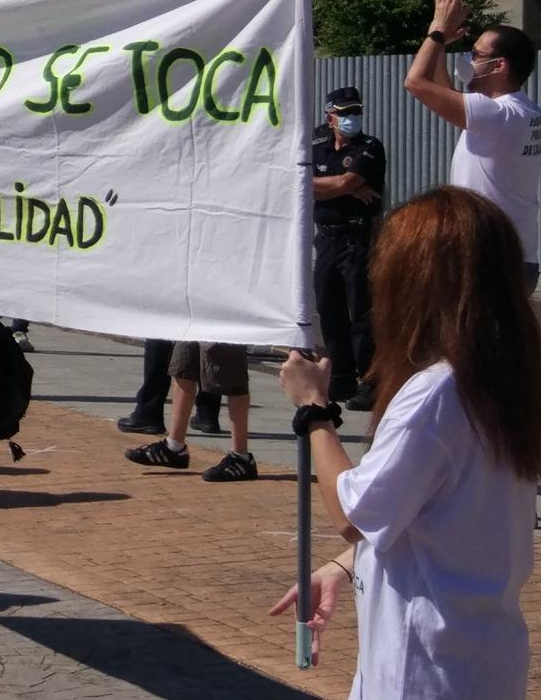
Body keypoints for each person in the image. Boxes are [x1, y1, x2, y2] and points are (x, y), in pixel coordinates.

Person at [271, 186, 541, 699]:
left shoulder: (437, 392)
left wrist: (313, 410)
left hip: (424, 671)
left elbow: (354, 514)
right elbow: (442, 511)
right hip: (481, 661)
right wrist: (347, 565)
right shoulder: (504, 378)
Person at [404, 0, 541, 287]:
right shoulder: (518, 113)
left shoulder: (498, 116)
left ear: (499, 65)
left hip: (489, 257)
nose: (469, 59)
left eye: (476, 54)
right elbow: (446, 94)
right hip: (512, 253)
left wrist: (438, 31)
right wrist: (438, 44)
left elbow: (415, 82)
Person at [313, 86, 385, 410]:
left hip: (359, 237)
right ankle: (341, 379)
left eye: (356, 112)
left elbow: (345, 183)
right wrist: (346, 187)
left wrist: (343, 186)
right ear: (330, 116)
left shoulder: (369, 147)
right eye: (344, 113)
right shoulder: (316, 142)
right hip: (326, 237)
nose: (351, 118)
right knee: (330, 311)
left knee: (363, 314)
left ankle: (371, 382)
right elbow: (292, 176)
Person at [122, 340, 258, 482]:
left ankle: (241, 456)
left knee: (231, 371)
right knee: (182, 365)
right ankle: (174, 446)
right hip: (195, 319)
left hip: (224, 321)